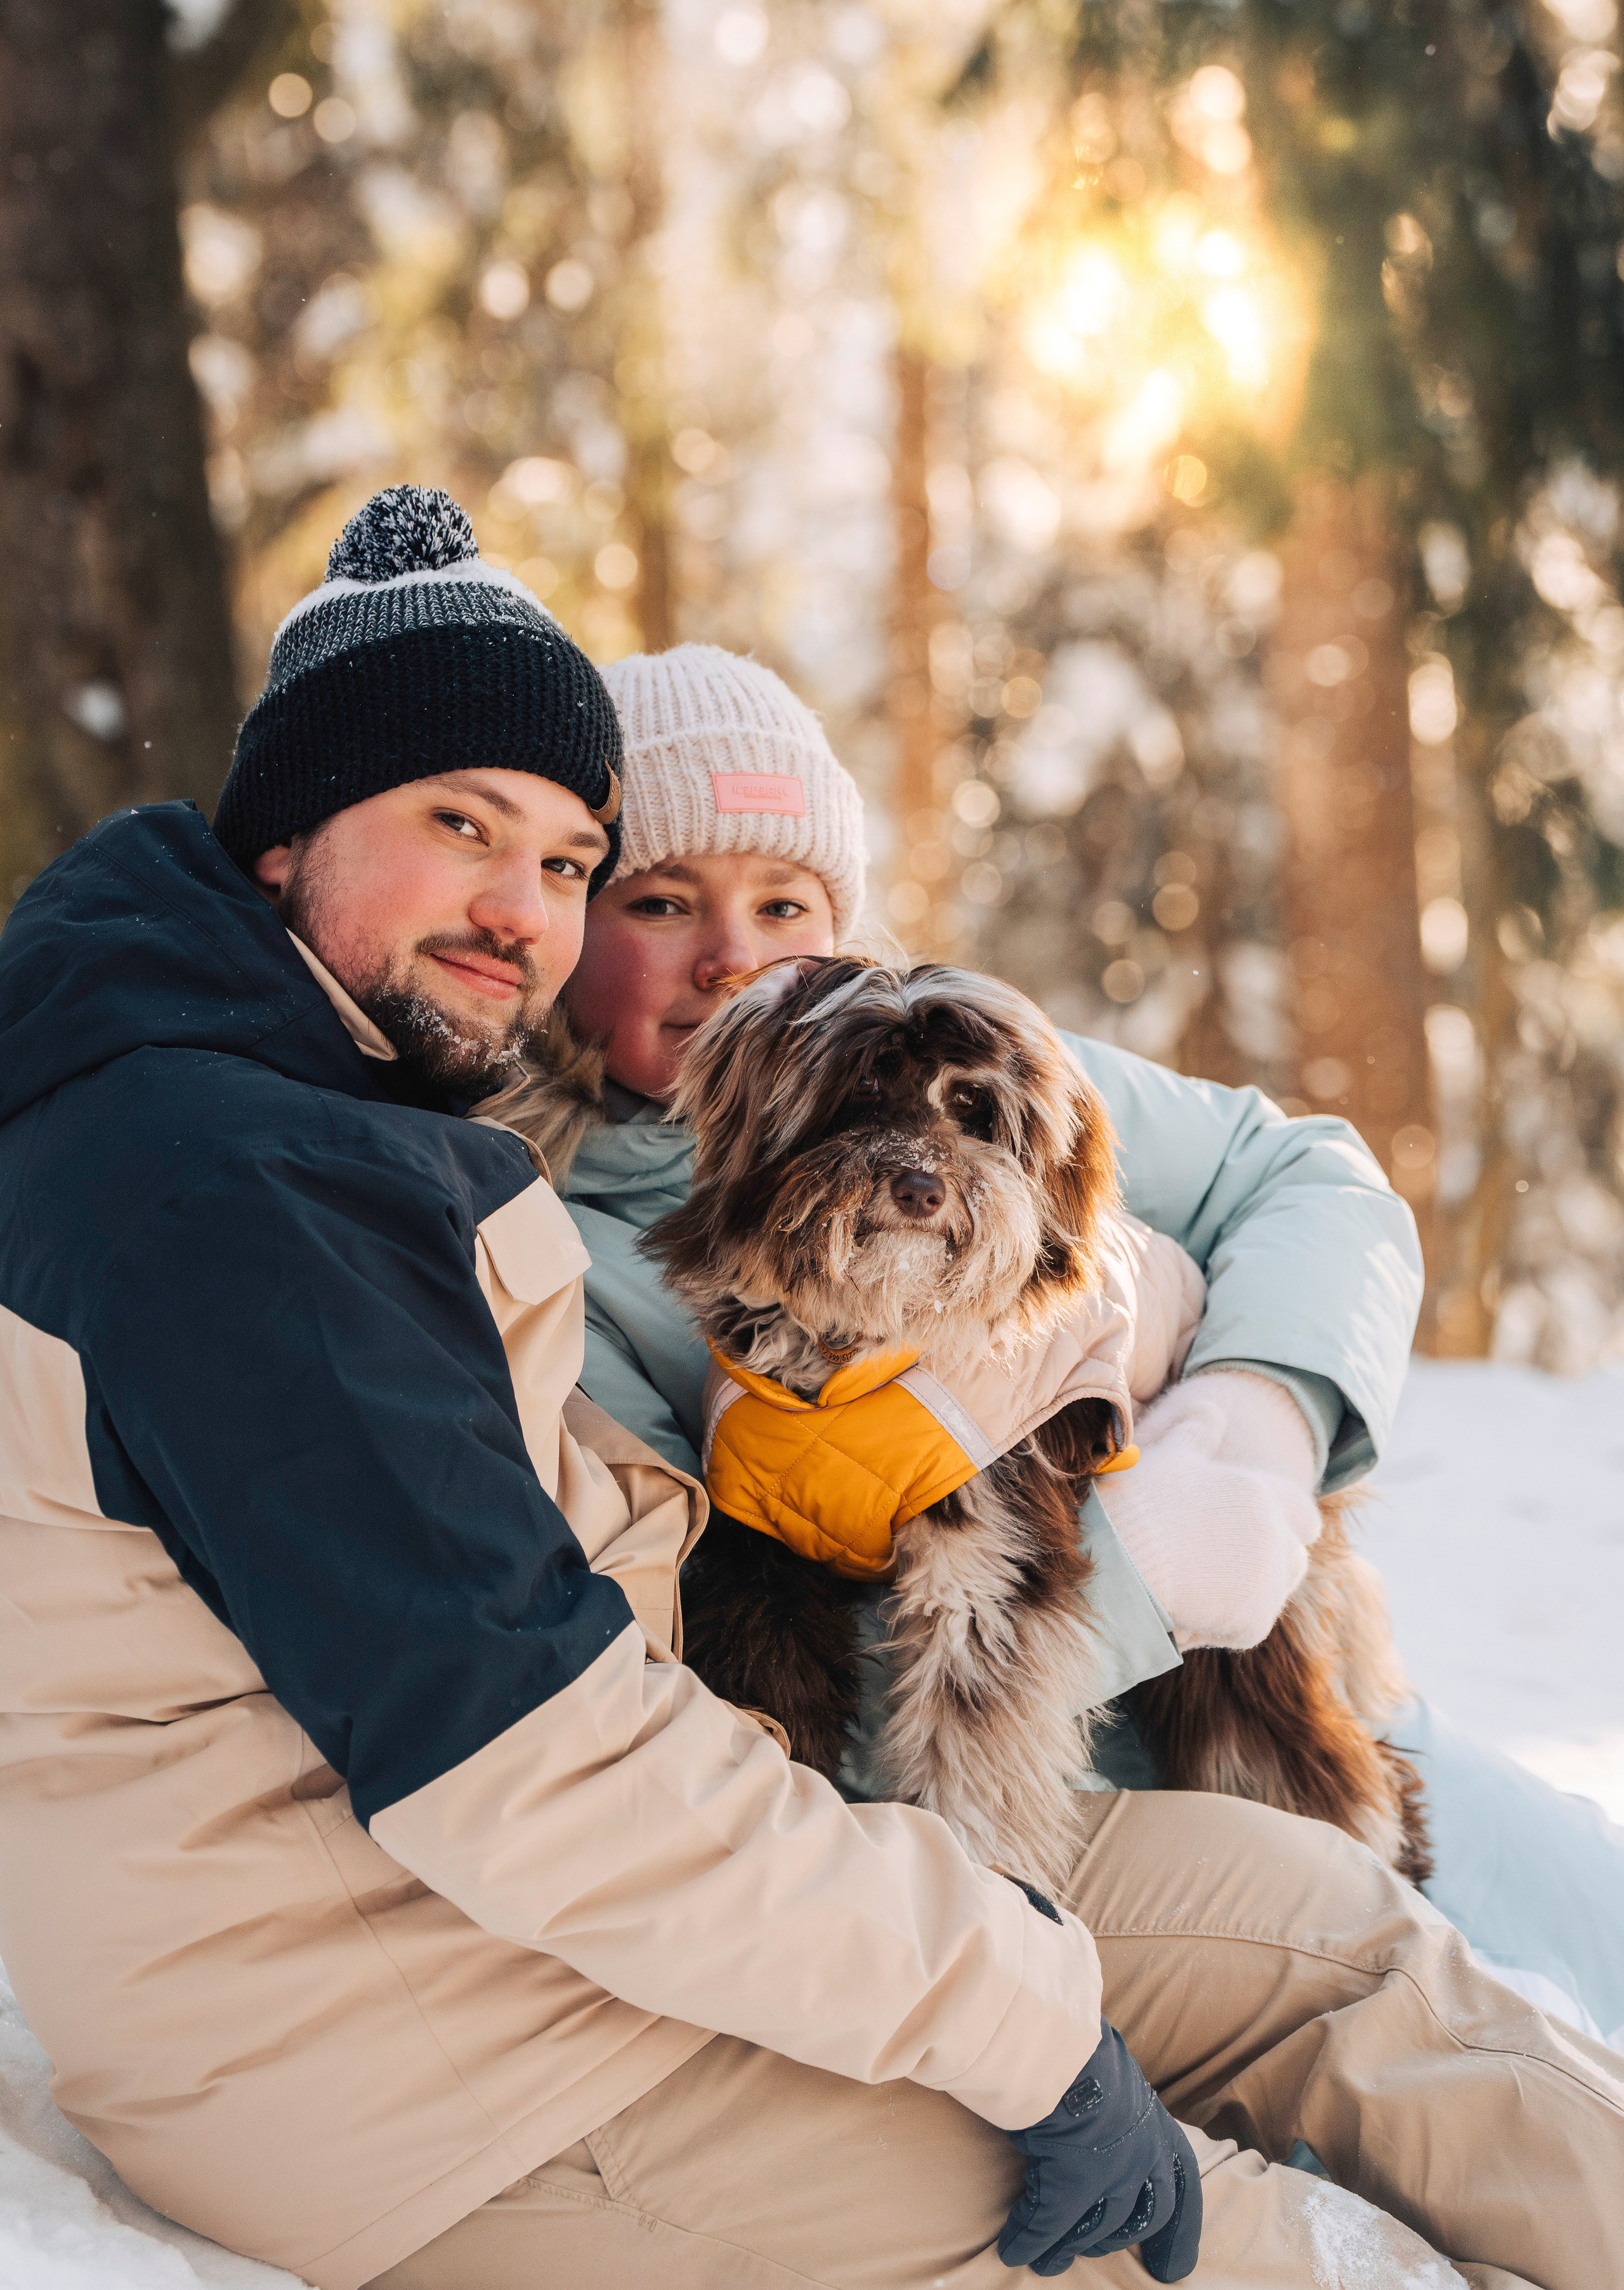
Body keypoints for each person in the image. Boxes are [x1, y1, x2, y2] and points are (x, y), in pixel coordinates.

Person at [0, 491, 1618, 2290]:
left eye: (561, 857)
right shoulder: (242, 1188)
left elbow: (1282, 1169)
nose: (520, 909)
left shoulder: (318, 1092)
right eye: (462, 826)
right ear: (285, 831)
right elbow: (541, 1765)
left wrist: (1242, 1413)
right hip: (465, 2058)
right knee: (1255, 2247)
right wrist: (1020, 2011)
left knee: (1347, 1946)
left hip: (658, 1889)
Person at [543, 638, 1624, 2054]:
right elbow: (724, 1686)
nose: (733, 956)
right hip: (1024, 1834)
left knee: (1578, 1900)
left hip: (1301, 1706)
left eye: (784, 903)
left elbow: (1309, 1176)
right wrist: (1136, 1579)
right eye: (660, 900)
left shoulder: (961, 1065)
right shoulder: (546, 1247)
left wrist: (1253, 1425)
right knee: (1460, 2079)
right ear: (568, 915)